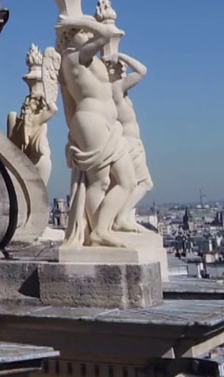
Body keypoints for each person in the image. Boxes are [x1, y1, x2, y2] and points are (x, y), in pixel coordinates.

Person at [56, 14, 135, 248]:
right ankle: (98, 232)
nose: (89, 34)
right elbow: (107, 34)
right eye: (84, 32)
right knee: (99, 182)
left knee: (127, 181)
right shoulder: (73, 57)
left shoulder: (87, 59)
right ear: (71, 34)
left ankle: (105, 226)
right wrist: (78, 21)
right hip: (91, 120)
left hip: (108, 123)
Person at [109, 53, 154, 234]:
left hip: (132, 142)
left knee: (135, 183)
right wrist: (121, 55)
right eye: (120, 66)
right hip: (130, 143)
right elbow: (142, 71)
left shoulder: (119, 91)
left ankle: (123, 216)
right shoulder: (117, 87)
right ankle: (121, 217)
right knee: (144, 183)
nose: (124, 69)